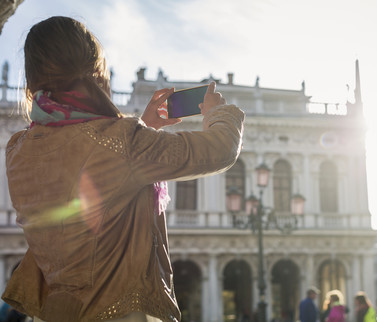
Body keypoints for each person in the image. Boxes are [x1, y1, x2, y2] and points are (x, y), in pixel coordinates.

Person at [1, 16, 244, 322]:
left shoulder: (18, 147)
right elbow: (219, 149)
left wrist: (142, 129)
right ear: (97, 69)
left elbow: (100, 173)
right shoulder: (120, 142)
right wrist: (219, 112)